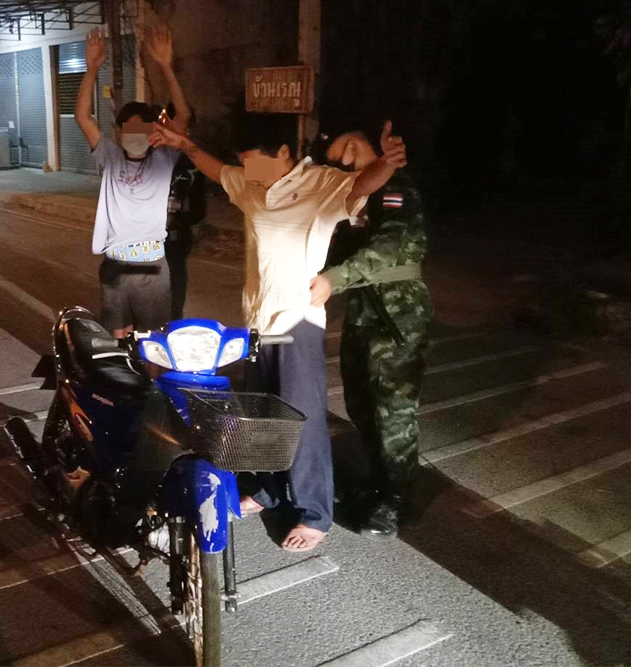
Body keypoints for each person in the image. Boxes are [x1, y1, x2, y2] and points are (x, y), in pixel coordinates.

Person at [149, 116, 407, 552]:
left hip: (296, 320)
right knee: (263, 415)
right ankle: (270, 490)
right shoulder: (252, 184)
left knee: (302, 421)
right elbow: (215, 169)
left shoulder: (321, 184)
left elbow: (362, 186)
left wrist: (386, 163)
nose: (250, 171)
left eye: (257, 161)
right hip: (256, 322)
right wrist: (184, 143)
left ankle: (315, 513)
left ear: (286, 153)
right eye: (246, 163)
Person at [314, 131, 432, 538]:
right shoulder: (356, 194)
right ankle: (379, 484)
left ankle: (398, 499)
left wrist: (335, 278)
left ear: (352, 146)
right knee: (361, 402)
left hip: (398, 313)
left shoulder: (397, 187)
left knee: (393, 410)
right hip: (364, 309)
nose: (338, 168)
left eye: (339, 159)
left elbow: (387, 243)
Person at [76, 26, 192, 337]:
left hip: (152, 266)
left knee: (153, 342)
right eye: (128, 129)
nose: (135, 136)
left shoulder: (163, 158)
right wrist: (91, 70)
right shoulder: (109, 156)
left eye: (142, 129)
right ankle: (124, 384)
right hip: (115, 265)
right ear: (118, 132)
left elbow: (183, 116)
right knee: (118, 338)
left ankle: (152, 384)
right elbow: (83, 118)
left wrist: (166, 66)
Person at [164, 104, 206, 320]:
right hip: (144, 239)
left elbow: (199, 209)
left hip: (175, 241)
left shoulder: (195, 163)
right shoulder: (152, 153)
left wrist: (178, 222)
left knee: (174, 292)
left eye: (183, 124)